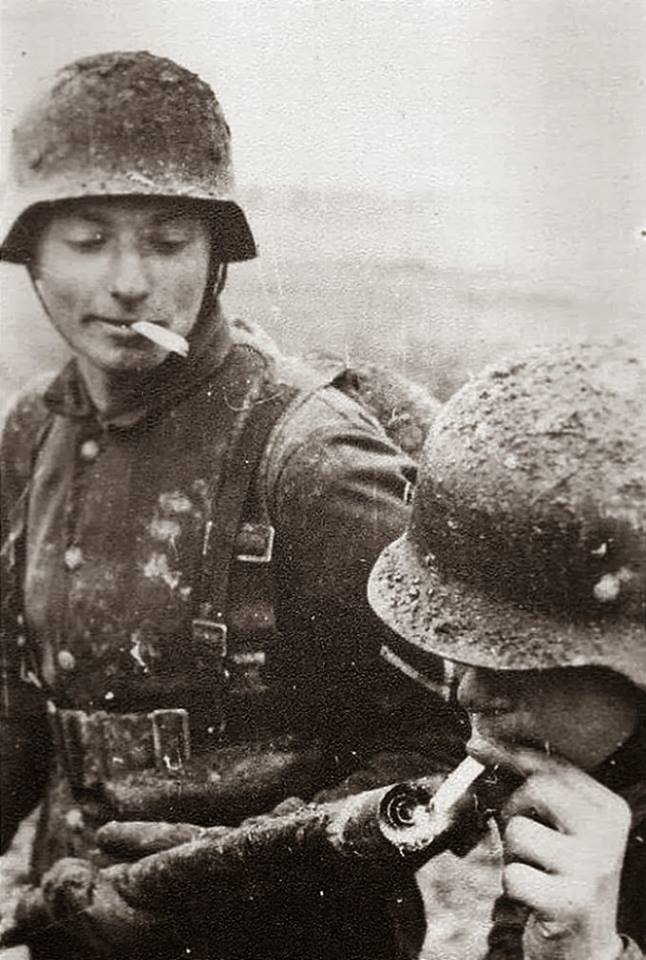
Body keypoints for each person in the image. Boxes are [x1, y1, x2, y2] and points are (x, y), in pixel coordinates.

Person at [0, 51, 461, 959]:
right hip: (75, 930)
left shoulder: (309, 458)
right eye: (87, 241)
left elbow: (444, 756)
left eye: (168, 240)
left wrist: (220, 877)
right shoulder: (34, 434)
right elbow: (17, 699)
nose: (129, 281)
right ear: (34, 257)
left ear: (216, 255)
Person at [368, 340, 646, 959]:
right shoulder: (589, 774)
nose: (470, 692)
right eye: (465, 650)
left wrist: (593, 953)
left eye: (517, 658)